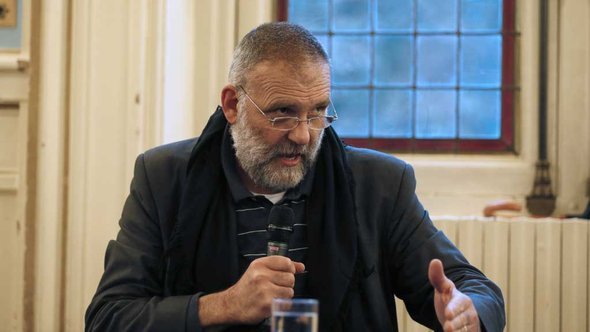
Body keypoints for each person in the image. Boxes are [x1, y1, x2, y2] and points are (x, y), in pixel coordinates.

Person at [85, 22, 505, 331]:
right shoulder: (164, 179)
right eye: (282, 112)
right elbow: (109, 317)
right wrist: (223, 305)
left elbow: (474, 289)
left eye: (318, 112)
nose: (303, 135)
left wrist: (467, 311)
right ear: (232, 105)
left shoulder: (378, 184)